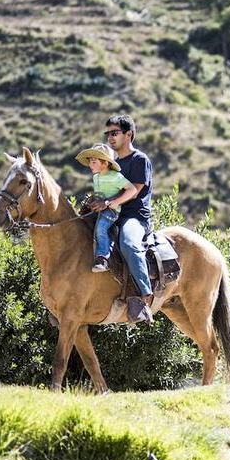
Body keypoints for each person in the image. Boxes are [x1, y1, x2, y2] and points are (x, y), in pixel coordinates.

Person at [89, 115, 155, 323]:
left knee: (128, 243)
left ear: (129, 134)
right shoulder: (112, 164)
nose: (110, 137)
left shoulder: (139, 160)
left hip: (134, 216)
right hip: (111, 214)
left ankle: (144, 297)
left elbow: (134, 191)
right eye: (108, 134)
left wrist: (108, 203)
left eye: (115, 133)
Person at [75, 143, 138, 273]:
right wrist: (92, 201)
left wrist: (113, 202)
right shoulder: (96, 177)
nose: (90, 165)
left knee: (101, 228)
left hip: (111, 211)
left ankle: (103, 258)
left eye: (94, 162)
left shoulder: (116, 177)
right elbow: (100, 194)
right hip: (99, 209)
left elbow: (132, 190)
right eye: (90, 162)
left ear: (105, 163)